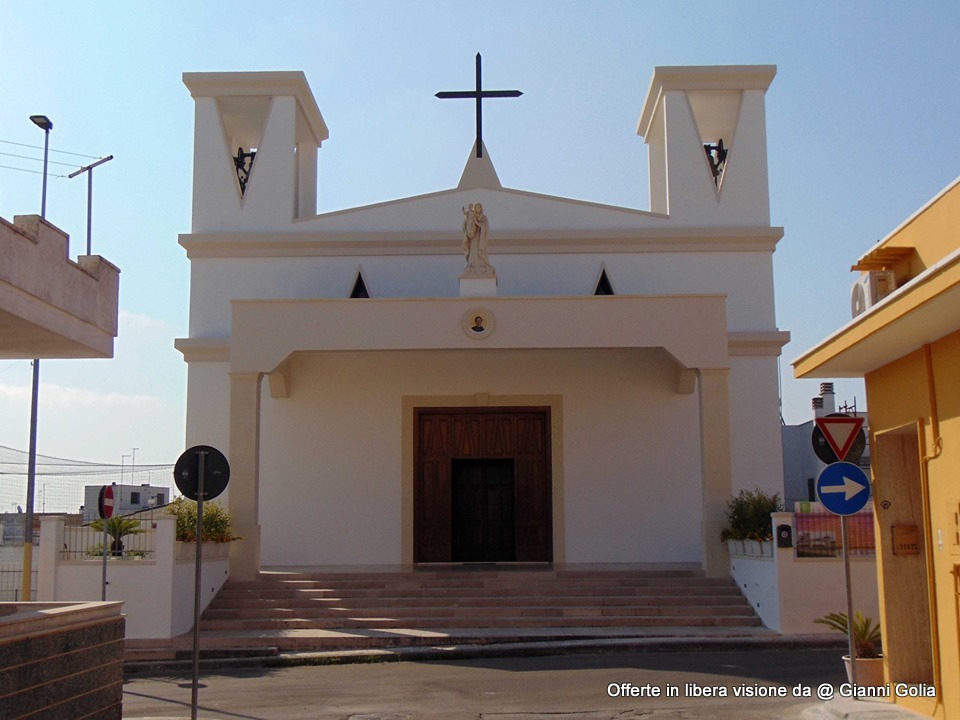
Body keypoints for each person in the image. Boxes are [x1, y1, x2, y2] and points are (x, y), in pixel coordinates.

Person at [462, 203, 490, 271]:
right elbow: (467, 224)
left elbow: (485, 227)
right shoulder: (472, 216)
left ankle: (482, 264)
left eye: (479, 207)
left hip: (480, 237)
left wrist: (478, 223)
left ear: (481, 209)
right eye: (476, 207)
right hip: (474, 237)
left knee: (479, 249)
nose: (477, 209)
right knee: (473, 249)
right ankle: (472, 265)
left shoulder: (484, 218)